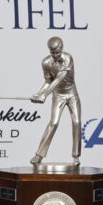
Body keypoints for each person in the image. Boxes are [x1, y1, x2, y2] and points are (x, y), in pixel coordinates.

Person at [29, 36, 81, 166]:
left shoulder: (68, 58)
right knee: (54, 123)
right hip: (58, 95)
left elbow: (59, 78)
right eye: (53, 53)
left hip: (72, 94)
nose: (56, 55)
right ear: (49, 51)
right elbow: (48, 81)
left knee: (76, 122)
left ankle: (76, 156)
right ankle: (39, 155)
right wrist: (39, 94)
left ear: (61, 49)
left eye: (57, 52)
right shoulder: (45, 62)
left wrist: (44, 95)